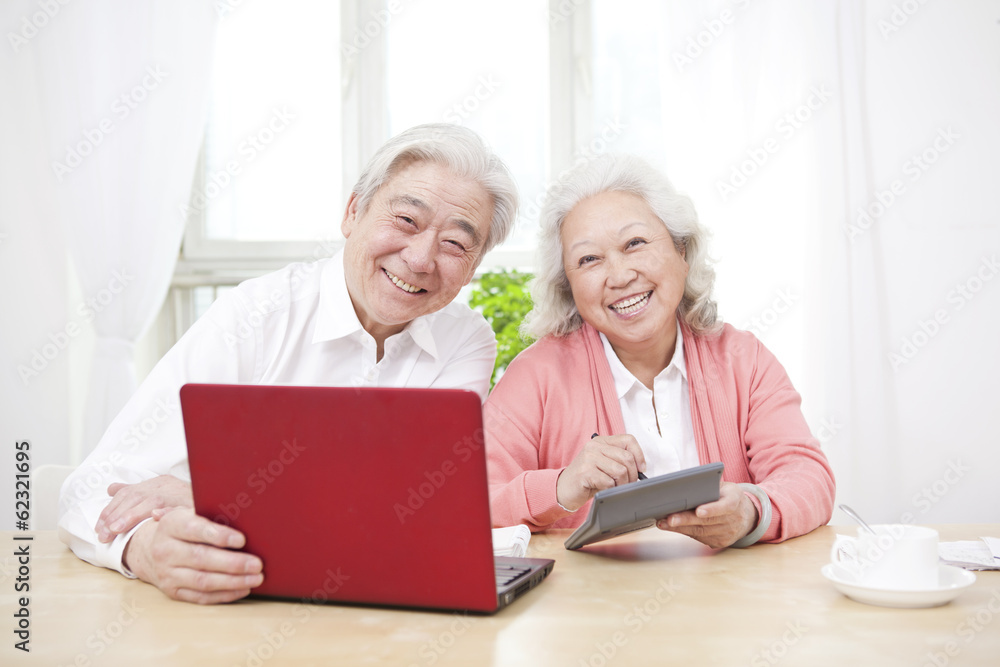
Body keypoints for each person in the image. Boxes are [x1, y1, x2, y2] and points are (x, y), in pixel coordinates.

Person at [58, 123, 519, 603]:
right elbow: (91, 487)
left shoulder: (465, 340)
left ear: (473, 269)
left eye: (455, 245)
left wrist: (209, 498)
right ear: (353, 211)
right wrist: (145, 550)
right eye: (406, 220)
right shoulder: (255, 316)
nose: (421, 258)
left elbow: (412, 508)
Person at [485, 154, 834, 549]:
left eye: (634, 244)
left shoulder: (744, 359)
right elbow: (473, 502)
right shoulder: (535, 376)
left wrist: (752, 510)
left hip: (731, 601)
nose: (619, 276)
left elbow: (809, 477)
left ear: (681, 252)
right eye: (589, 260)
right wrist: (563, 485)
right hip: (590, 607)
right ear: (568, 286)